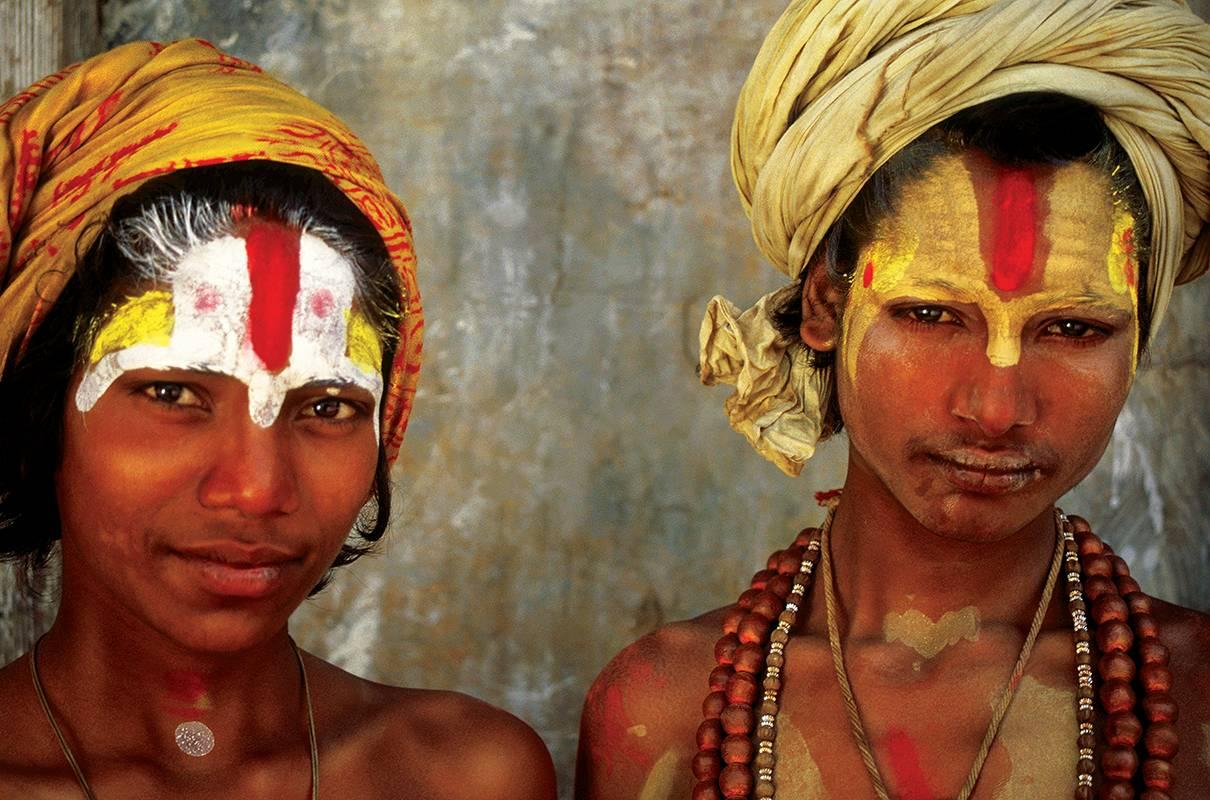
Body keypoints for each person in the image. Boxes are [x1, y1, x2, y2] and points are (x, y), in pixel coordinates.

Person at [576, 2, 1210, 799]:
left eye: (1074, 328)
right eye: (932, 315)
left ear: (1141, 341)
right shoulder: (664, 709)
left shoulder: (1196, 699)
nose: (997, 405)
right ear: (824, 311)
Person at [0, 40, 556, 799]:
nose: (258, 490)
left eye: (326, 407)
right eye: (171, 395)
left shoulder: (461, 777)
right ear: (39, 419)